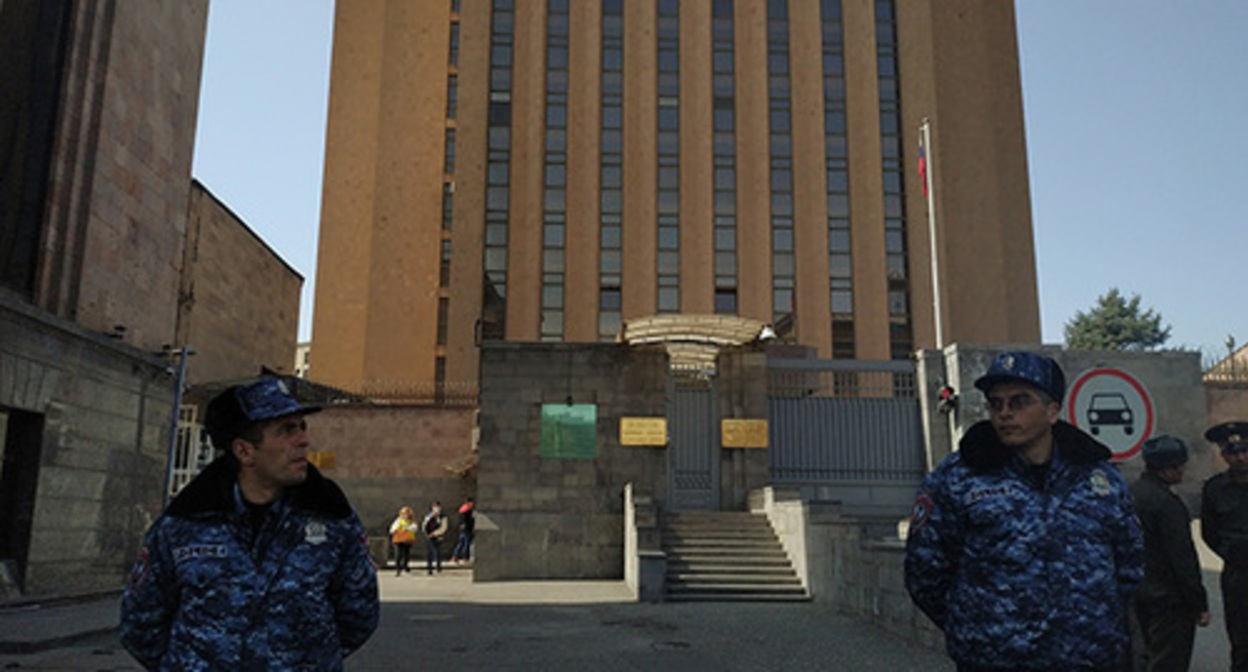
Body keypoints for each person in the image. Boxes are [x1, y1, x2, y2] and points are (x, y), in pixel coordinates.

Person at [904, 351, 1144, 671]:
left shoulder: (1099, 478)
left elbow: (1129, 564)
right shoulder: (956, 478)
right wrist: (978, 628)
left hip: (1086, 659)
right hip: (994, 660)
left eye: (1019, 402)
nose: (1004, 413)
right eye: (996, 403)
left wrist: (1092, 622)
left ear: (1052, 412)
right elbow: (925, 572)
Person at [120, 377, 380, 670]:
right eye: (286, 430)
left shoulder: (332, 518)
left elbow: (360, 614)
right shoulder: (184, 523)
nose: (303, 440)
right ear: (244, 451)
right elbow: (140, 622)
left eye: (302, 427)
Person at [1131, 435, 1209, 672]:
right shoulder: (1166, 503)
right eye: (1181, 466)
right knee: (1169, 661)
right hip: (1169, 599)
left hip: (1137, 592)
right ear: (1170, 468)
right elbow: (1182, 558)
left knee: (1143, 657)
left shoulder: (1130, 494)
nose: (1183, 471)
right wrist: (1199, 602)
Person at [1202, 421, 1248, 672]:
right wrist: (1233, 552)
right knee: (1241, 641)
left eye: (1245, 450)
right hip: (1238, 577)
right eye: (1233, 453)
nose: (1240, 457)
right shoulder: (1215, 489)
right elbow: (1210, 533)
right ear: (1224, 455)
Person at [390, 506, 418, 576]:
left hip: (407, 540)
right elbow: (392, 530)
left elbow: (414, 528)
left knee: (406, 554)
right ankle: (398, 569)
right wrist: (398, 527)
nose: (405, 515)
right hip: (398, 540)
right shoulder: (398, 521)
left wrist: (406, 528)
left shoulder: (411, 522)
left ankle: (405, 566)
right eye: (404, 513)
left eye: (407, 513)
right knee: (398, 555)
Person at [422, 501, 449, 575]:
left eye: (437, 507)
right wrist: (426, 533)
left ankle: (438, 565)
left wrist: (435, 533)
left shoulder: (442, 517)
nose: (436, 508)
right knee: (429, 553)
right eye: (434, 507)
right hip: (429, 536)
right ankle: (429, 568)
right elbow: (424, 524)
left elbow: (444, 527)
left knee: (437, 552)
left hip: (438, 536)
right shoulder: (429, 516)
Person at [450, 497, 475, 565]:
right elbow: (469, 521)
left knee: (461, 543)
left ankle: (455, 557)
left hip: (462, 529)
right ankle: (465, 558)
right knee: (466, 544)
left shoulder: (462, 509)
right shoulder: (468, 511)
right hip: (467, 529)